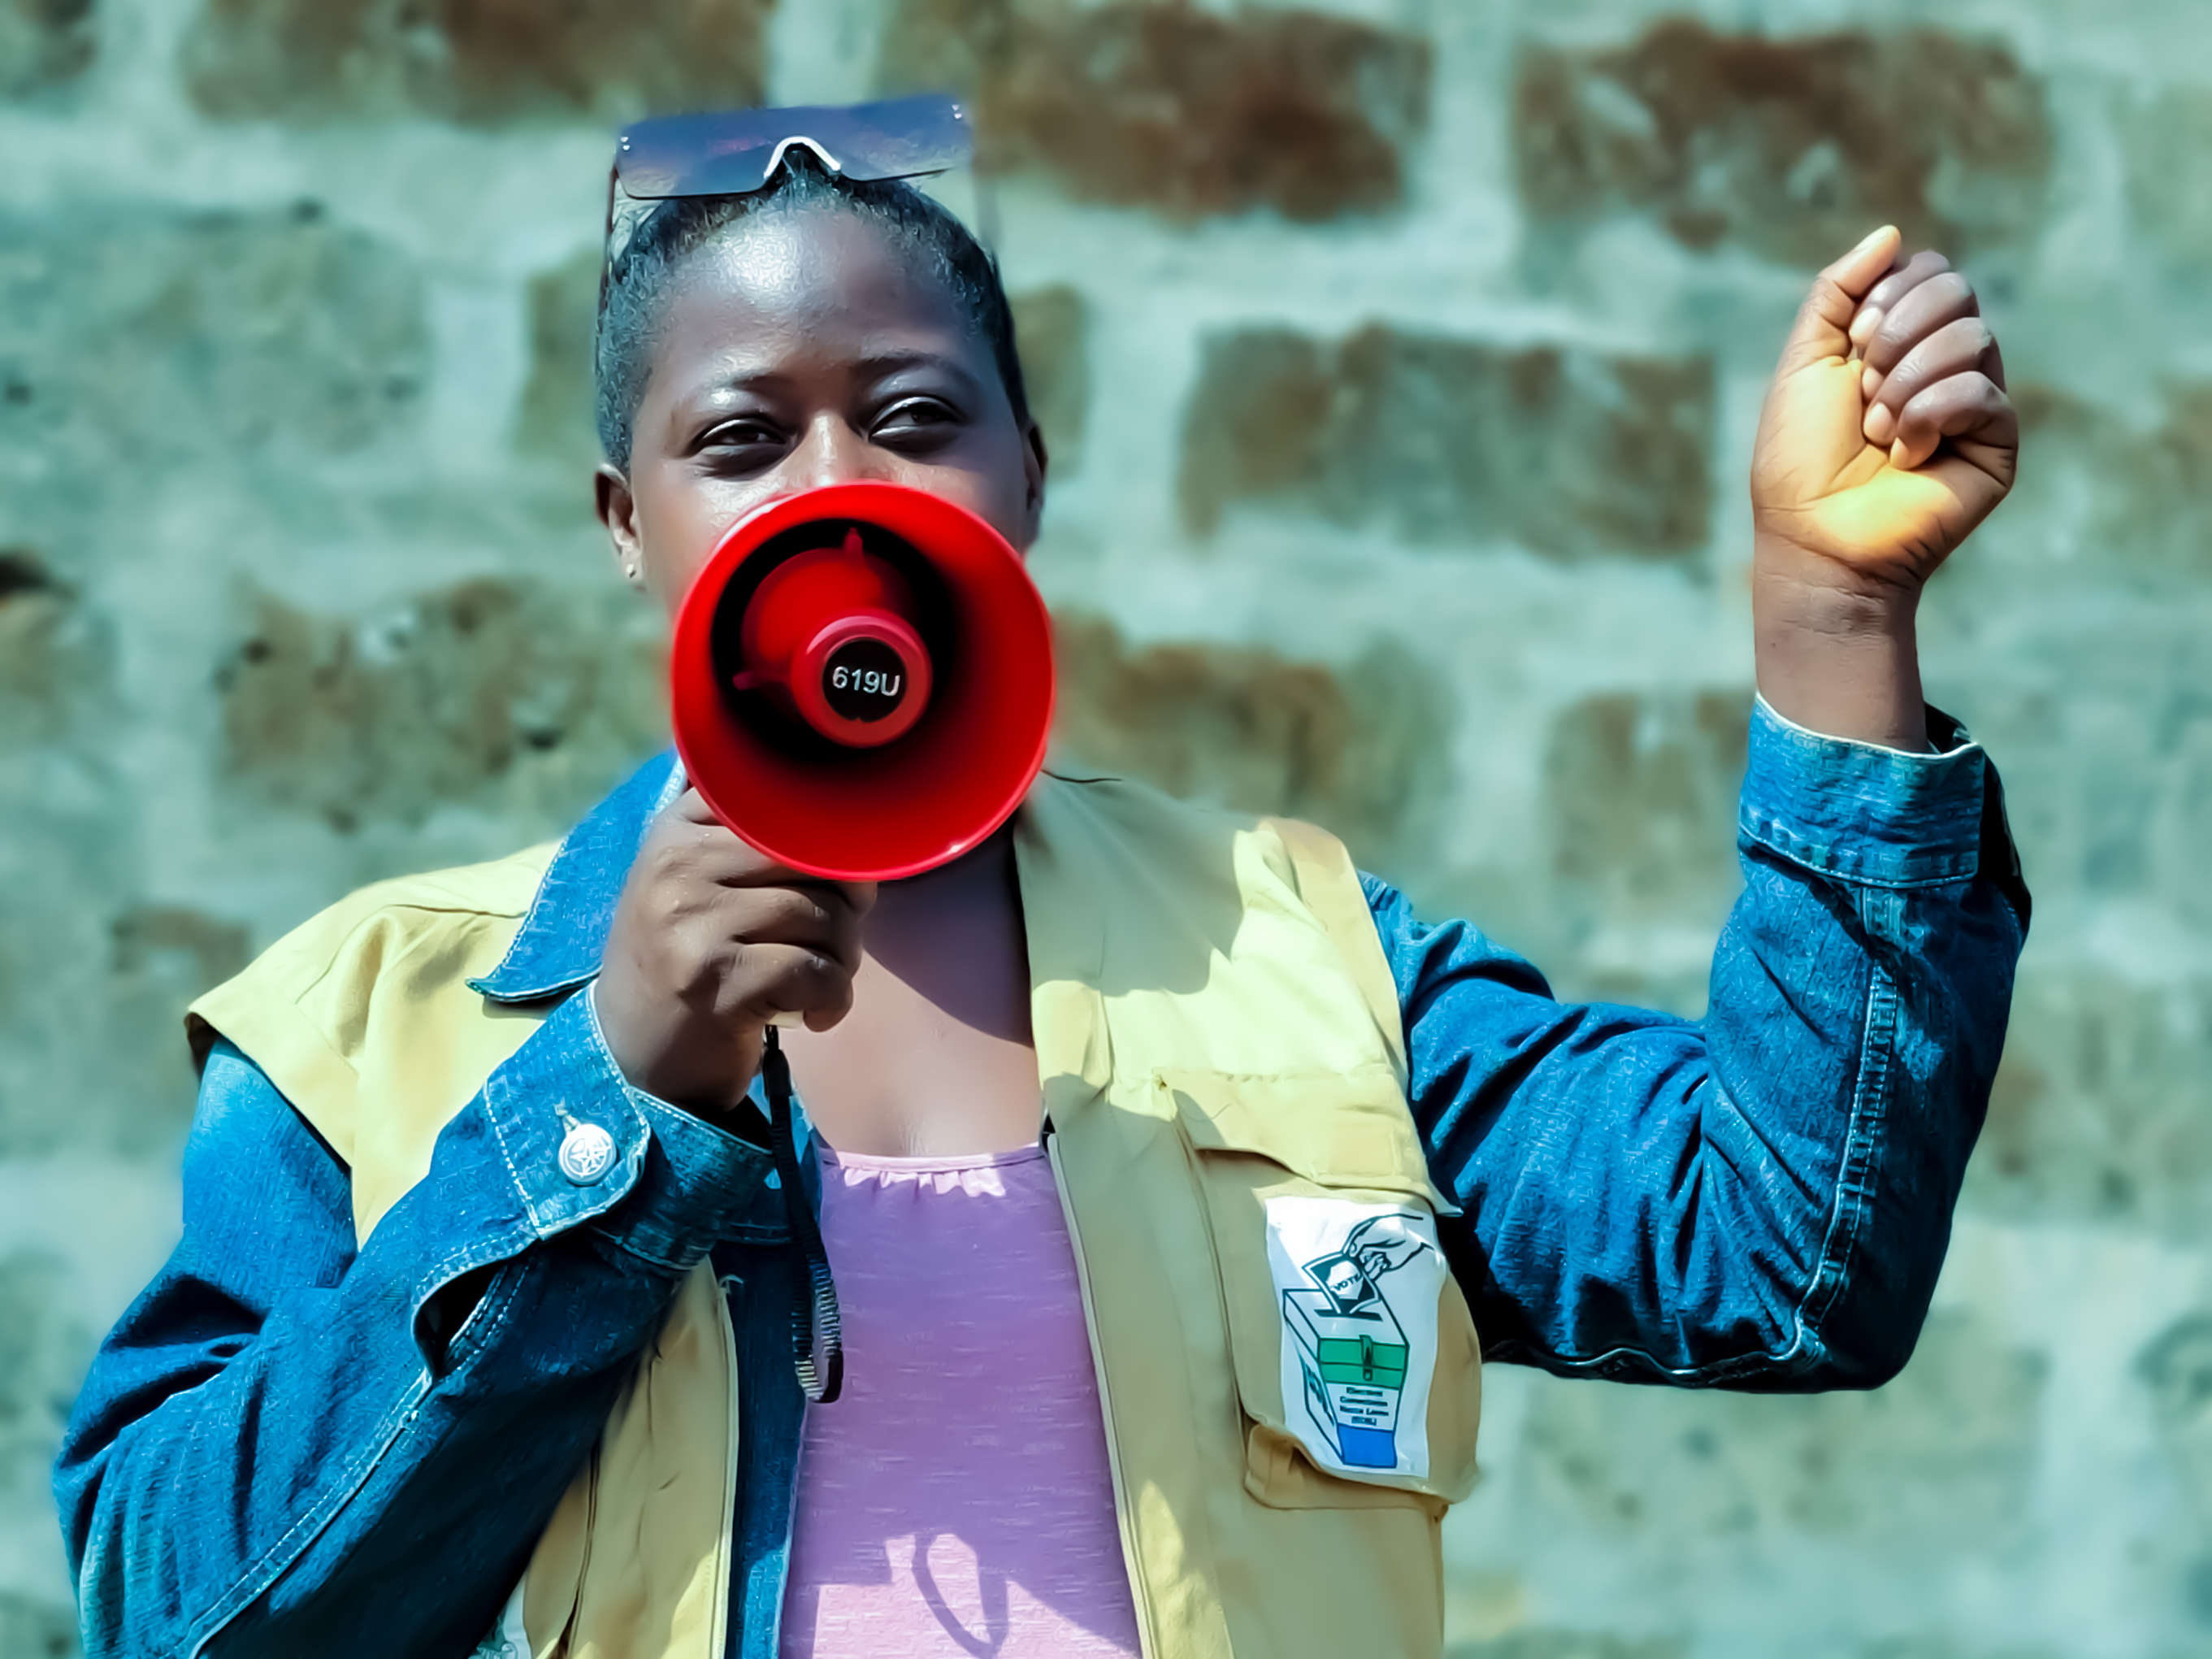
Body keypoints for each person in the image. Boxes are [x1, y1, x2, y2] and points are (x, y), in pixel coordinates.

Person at [54, 99, 2028, 1659]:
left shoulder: (1302, 956)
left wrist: (1830, 618)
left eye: (914, 417)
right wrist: (604, 1097)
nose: (839, 483)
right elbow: (174, 1610)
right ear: (628, 526)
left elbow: (1785, 1259)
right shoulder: (364, 1026)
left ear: (1026, 478)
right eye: (740, 437)